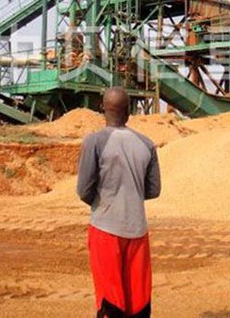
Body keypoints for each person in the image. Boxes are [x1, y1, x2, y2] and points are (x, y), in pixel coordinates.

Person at [77, 87, 162, 317]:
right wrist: (131, 196)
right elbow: (154, 190)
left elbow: (83, 190)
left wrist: (104, 202)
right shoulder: (146, 144)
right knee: (138, 299)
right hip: (137, 230)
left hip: (105, 229)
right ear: (129, 111)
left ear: (102, 108)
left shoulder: (94, 141)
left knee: (110, 299)